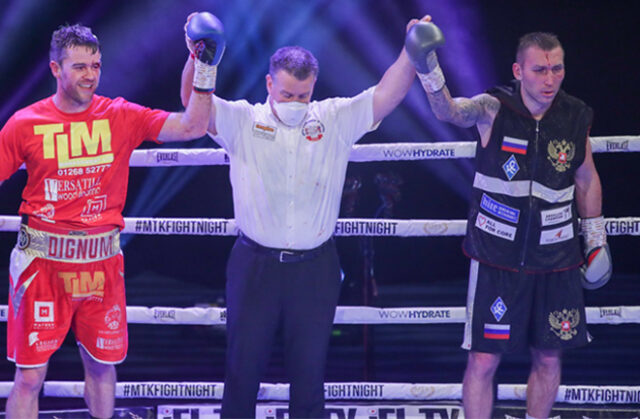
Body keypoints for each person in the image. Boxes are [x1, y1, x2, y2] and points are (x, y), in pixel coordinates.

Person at [180, 12, 430, 419]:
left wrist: (409, 53)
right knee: (241, 374)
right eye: (287, 94)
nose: (295, 103)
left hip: (316, 268)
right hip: (254, 265)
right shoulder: (243, 119)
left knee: (309, 378)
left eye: (303, 95)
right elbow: (194, 107)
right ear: (269, 85)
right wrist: (198, 57)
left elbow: (386, 94)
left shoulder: (332, 118)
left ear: (313, 88)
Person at [0, 18, 223, 418]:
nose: (90, 76)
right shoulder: (26, 124)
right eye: (80, 67)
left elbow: (192, 126)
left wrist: (204, 69)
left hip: (100, 267)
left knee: (103, 367)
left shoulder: (119, 115)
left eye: (96, 66)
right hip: (42, 265)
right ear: (56, 69)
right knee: (30, 377)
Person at [405, 24, 612, 418]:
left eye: (557, 69)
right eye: (540, 70)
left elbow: (586, 176)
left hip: (557, 258)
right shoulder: (493, 107)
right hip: (496, 256)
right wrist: (426, 64)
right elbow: (448, 111)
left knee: (550, 358)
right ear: (518, 71)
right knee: (484, 360)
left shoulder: (574, 115)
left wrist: (596, 237)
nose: (550, 79)